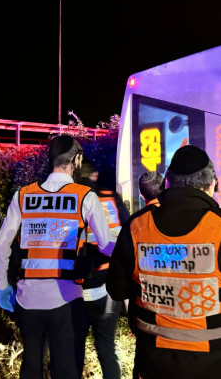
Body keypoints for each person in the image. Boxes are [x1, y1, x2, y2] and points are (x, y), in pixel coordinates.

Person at [106, 145, 221, 379]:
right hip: (213, 367)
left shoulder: (137, 227)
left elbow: (117, 290)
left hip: (152, 365)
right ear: (211, 184)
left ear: (168, 182)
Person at [0, 135, 115, 379]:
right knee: (66, 370)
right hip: (66, 299)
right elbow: (107, 245)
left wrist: (2, 287)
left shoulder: (23, 195)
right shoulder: (85, 196)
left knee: (31, 367)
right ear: (76, 160)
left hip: (27, 300)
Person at [75, 158, 129, 379]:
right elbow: (125, 237)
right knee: (106, 347)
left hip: (76, 288)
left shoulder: (73, 201)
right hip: (106, 284)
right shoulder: (112, 201)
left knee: (74, 347)